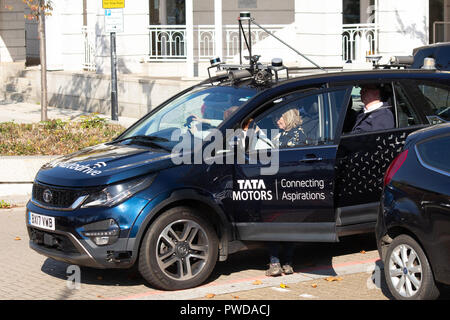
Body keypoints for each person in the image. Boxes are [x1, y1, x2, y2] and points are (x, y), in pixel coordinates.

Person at [265, 108, 305, 277]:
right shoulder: (282, 135)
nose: (277, 120)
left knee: (273, 223)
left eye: (280, 116)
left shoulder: (296, 136)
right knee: (286, 224)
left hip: (284, 186)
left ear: (288, 117)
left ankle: (277, 263)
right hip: (285, 186)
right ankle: (286, 263)